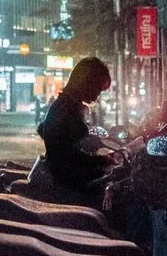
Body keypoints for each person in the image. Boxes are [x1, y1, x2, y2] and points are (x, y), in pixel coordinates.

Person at [38, 56, 114, 197]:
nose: (97, 95)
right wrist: (101, 161)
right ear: (88, 83)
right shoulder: (66, 108)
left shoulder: (68, 104)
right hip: (69, 184)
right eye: (98, 89)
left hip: (67, 177)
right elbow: (67, 157)